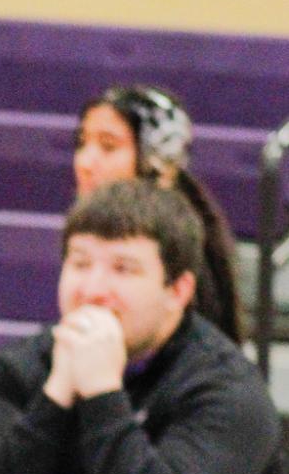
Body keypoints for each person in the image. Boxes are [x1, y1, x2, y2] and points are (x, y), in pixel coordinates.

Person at [0, 181, 281, 474]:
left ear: (178, 290)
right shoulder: (14, 371)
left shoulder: (226, 389)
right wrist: (55, 396)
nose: (93, 290)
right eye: (81, 263)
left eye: (123, 268)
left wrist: (103, 393)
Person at [72, 85, 243, 342]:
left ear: (156, 160)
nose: (85, 162)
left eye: (108, 146)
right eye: (82, 143)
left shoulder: (183, 244)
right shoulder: (88, 229)